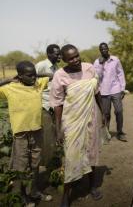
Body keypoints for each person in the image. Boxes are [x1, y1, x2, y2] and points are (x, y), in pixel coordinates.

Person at [50, 44, 105, 207]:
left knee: (91, 151)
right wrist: (58, 128)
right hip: (72, 120)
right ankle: (67, 194)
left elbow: (97, 92)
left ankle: (93, 185)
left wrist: (104, 114)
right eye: (71, 58)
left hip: (91, 117)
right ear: (64, 60)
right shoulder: (59, 75)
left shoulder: (89, 69)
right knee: (71, 155)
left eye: (77, 55)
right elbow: (58, 104)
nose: (75, 60)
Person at [0, 61, 52, 206]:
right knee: (21, 167)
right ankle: (23, 195)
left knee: (35, 164)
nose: (33, 78)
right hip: (21, 135)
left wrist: (36, 74)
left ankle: (34, 191)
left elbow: (51, 75)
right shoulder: (10, 88)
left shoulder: (38, 84)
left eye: (34, 75)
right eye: (30, 76)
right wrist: (9, 79)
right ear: (20, 76)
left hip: (37, 131)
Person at [93, 42, 127, 141]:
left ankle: (120, 132)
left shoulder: (115, 60)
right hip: (103, 91)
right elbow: (96, 76)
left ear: (108, 49)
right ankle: (106, 134)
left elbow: (120, 73)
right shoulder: (97, 62)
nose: (104, 50)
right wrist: (100, 64)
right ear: (100, 51)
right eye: (102, 49)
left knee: (119, 111)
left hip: (116, 89)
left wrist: (122, 88)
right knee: (106, 113)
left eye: (105, 48)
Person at [35, 44, 61, 166]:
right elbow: (30, 77)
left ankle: (52, 159)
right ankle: (45, 163)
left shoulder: (56, 67)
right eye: (57, 54)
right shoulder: (41, 65)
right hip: (43, 104)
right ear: (49, 54)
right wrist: (47, 76)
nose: (59, 56)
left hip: (54, 104)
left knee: (54, 133)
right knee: (47, 135)